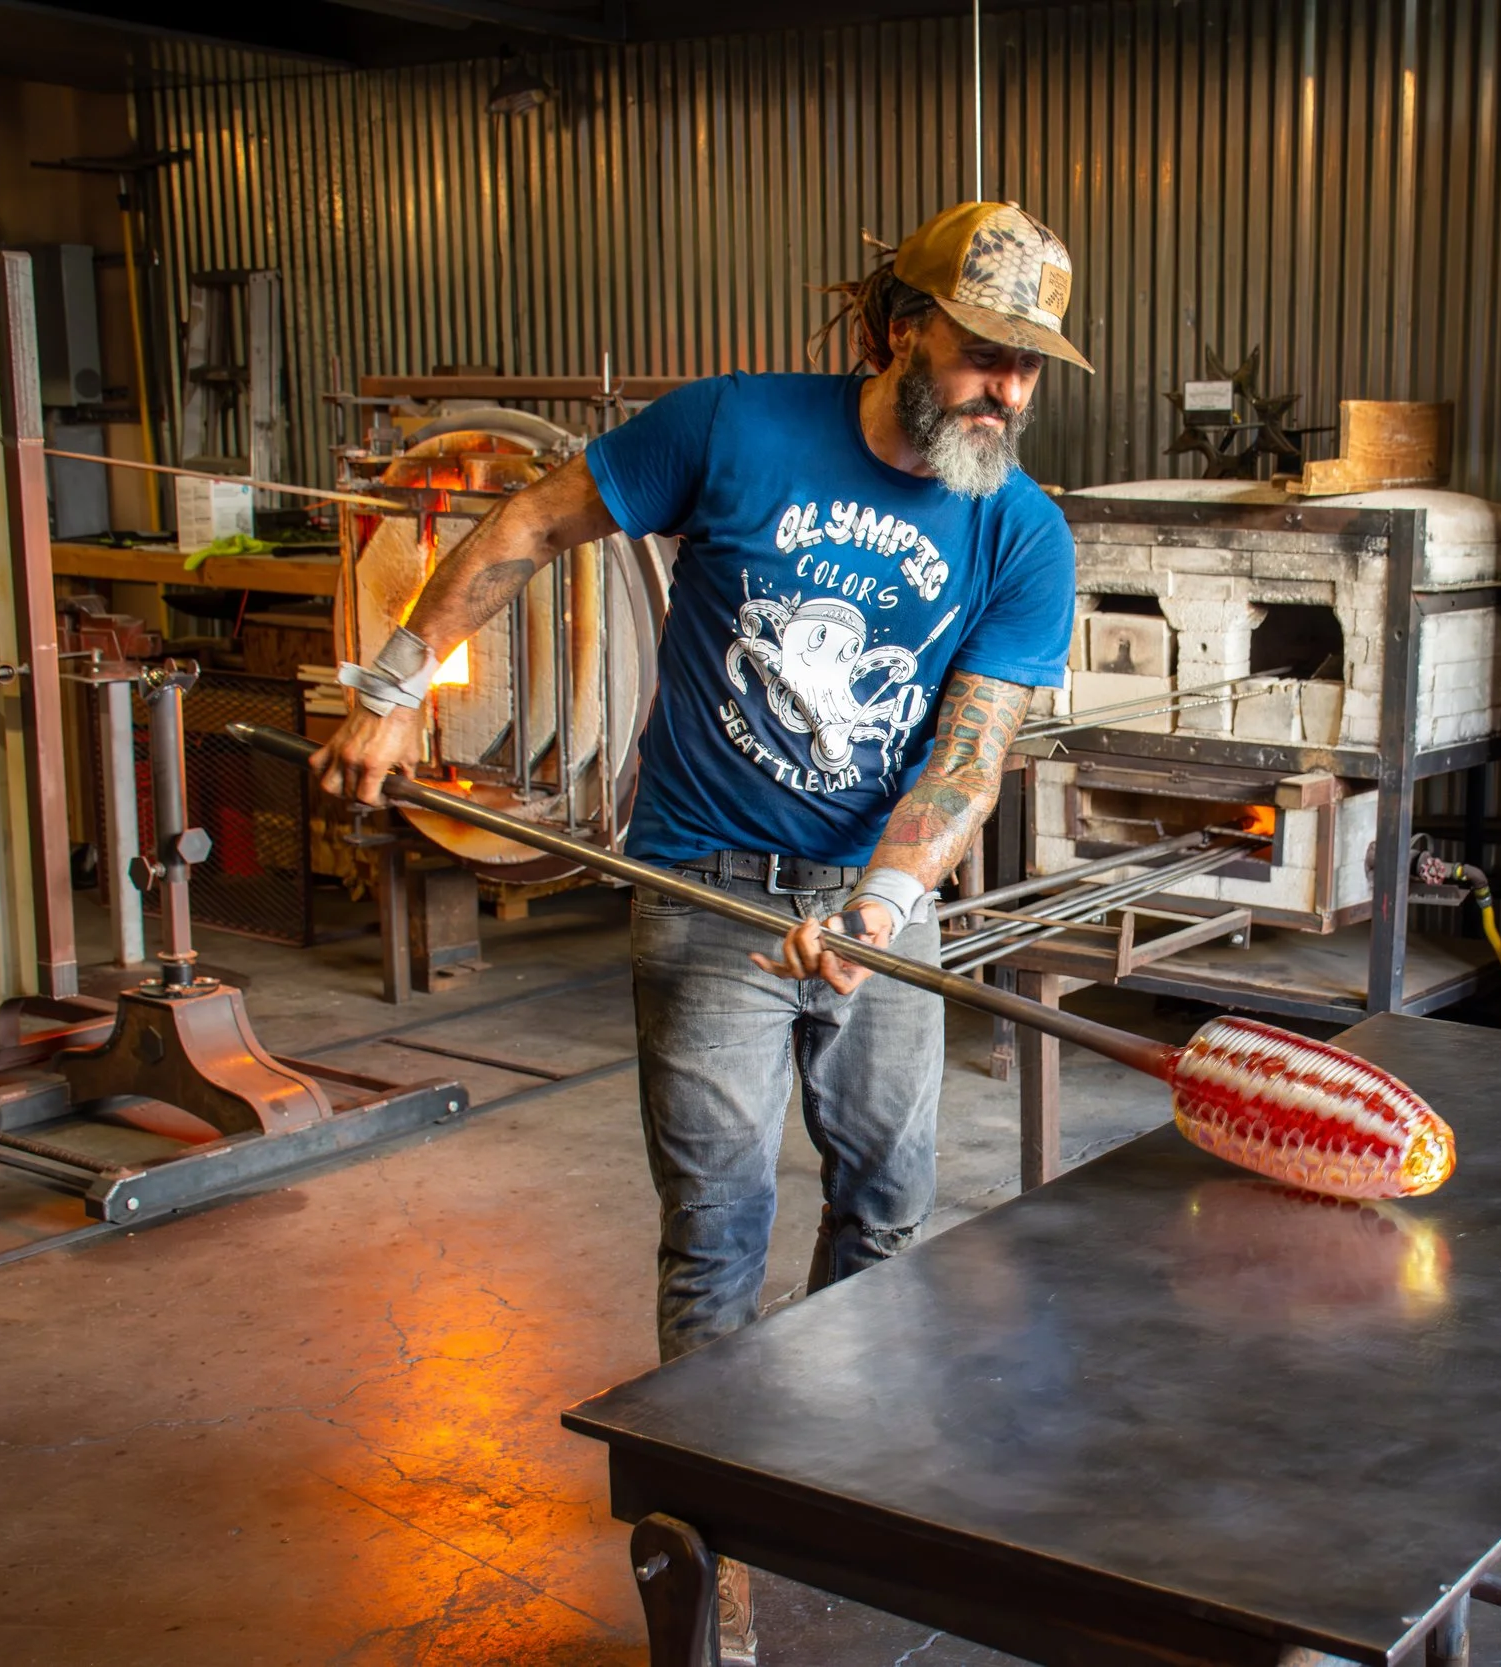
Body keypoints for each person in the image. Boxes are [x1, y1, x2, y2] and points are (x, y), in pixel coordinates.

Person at [311, 201, 1088, 1666]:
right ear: (898, 329)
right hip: (703, 886)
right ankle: (710, 1549)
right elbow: (537, 518)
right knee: (717, 1232)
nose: (1008, 391)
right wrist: (400, 675)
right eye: (986, 353)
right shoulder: (731, 428)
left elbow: (970, 755)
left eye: (1031, 365)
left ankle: (834, 1480)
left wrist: (879, 906)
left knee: (889, 1209)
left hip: (880, 899)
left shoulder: (1023, 530)